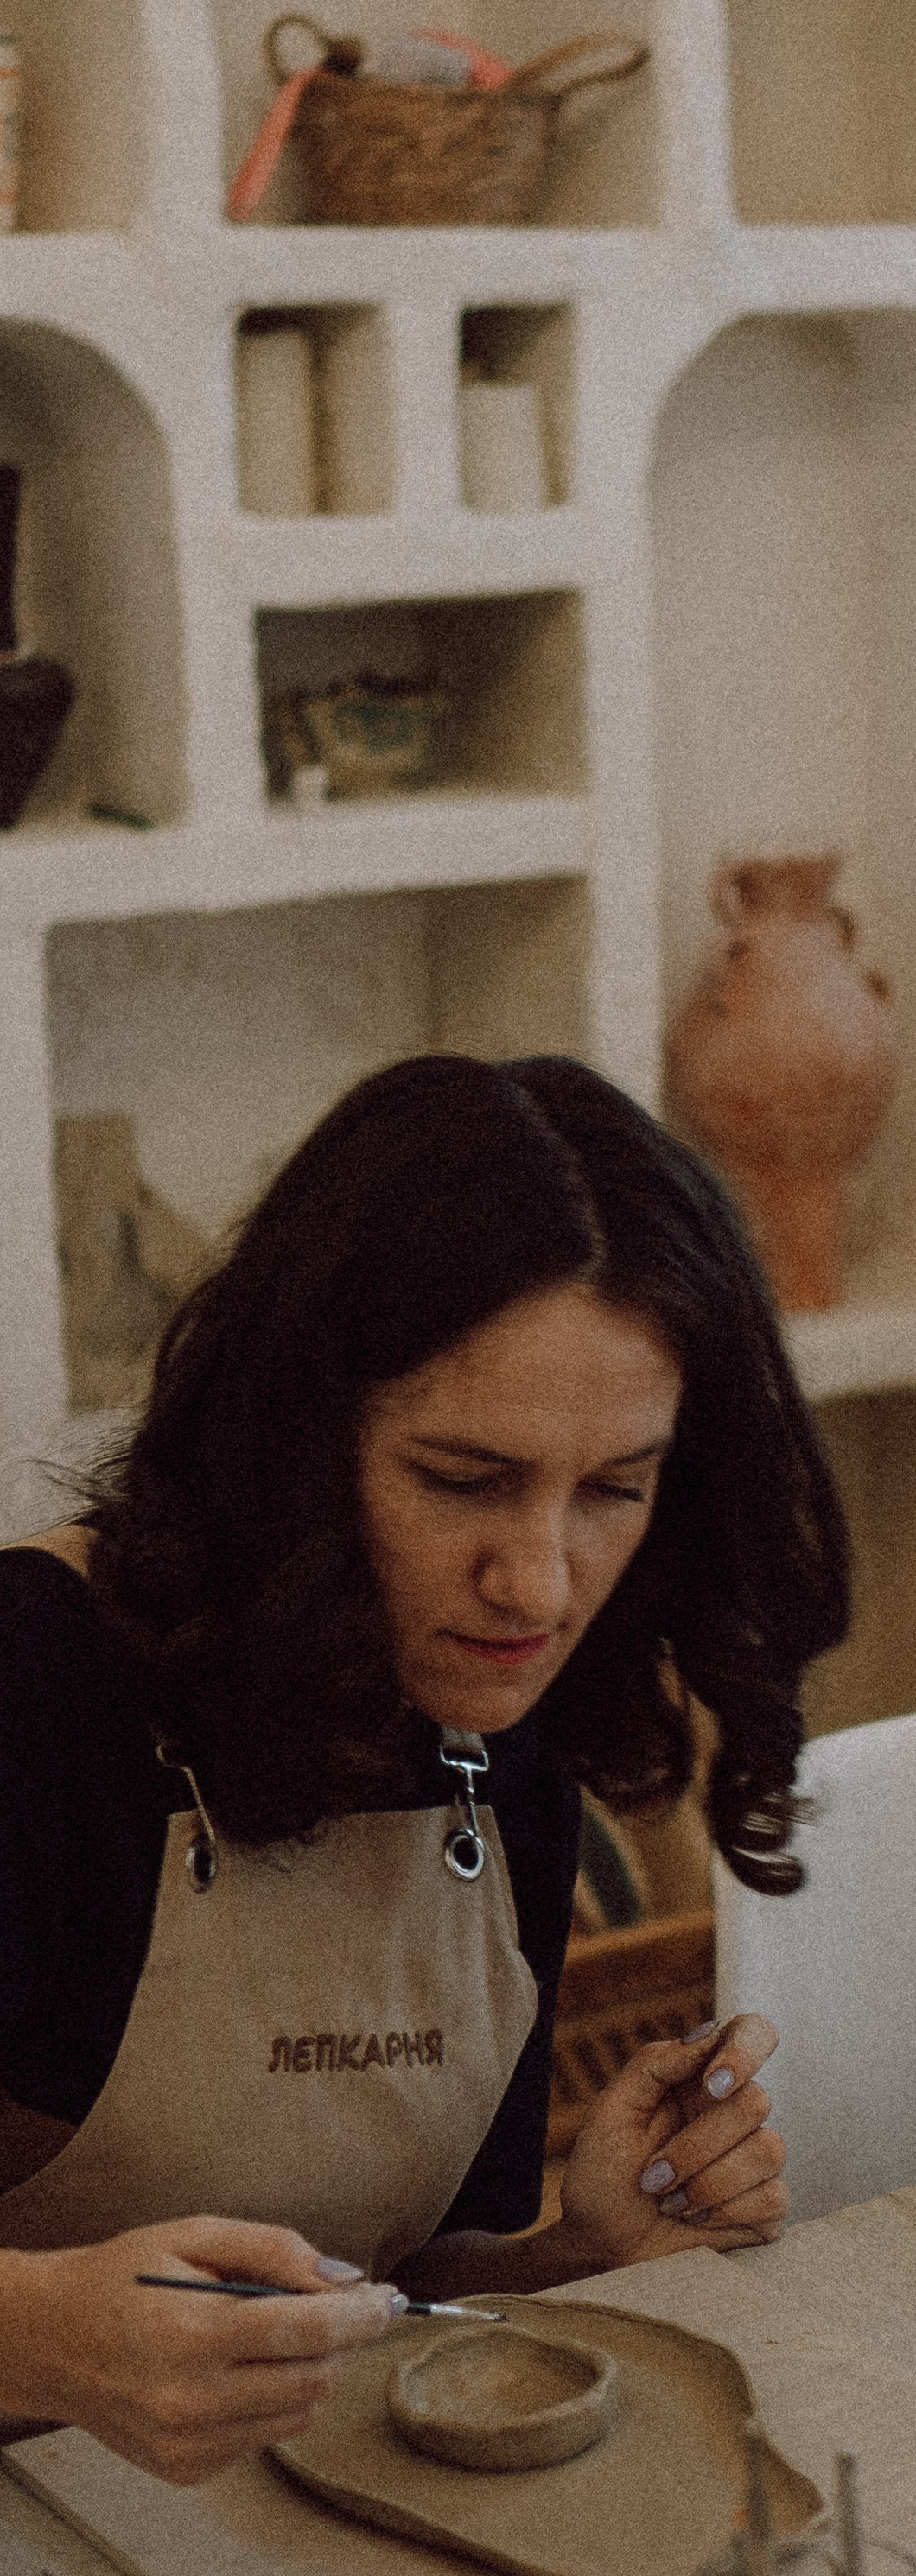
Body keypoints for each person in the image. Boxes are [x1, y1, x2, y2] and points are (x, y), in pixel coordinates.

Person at [0, 1053, 849, 2481]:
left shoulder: (497, 1735)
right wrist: (39, 2334)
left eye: (615, 1490)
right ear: (298, 1441)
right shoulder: (36, 1680)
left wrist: (579, 2249)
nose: (537, 1582)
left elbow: (381, 2295)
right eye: (463, 1479)